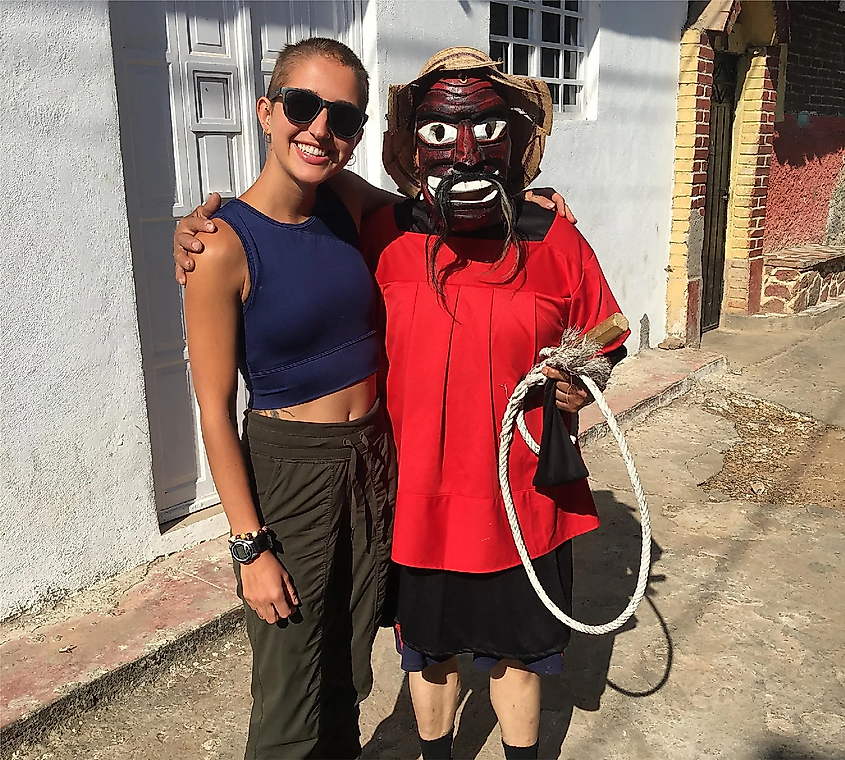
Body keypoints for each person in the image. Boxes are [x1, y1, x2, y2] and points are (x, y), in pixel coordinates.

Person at [176, 39, 570, 760]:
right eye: (301, 107)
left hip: (374, 463)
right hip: (294, 470)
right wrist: (248, 547)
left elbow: (437, 203)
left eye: (343, 117)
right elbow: (212, 411)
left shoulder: (347, 207)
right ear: (267, 112)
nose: (319, 129)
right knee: (291, 683)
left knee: (349, 669)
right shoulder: (221, 243)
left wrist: (520, 199)